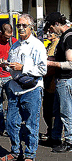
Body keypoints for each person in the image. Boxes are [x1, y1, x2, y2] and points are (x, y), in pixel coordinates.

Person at [0, 14, 47, 161]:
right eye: (18, 26)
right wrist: (6, 65)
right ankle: (15, 152)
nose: (20, 28)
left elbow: (43, 69)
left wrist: (23, 67)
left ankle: (30, 155)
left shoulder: (37, 45)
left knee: (31, 124)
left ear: (31, 28)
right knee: (11, 123)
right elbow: (13, 68)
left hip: (31, 90)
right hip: (15, 89)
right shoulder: (14, 45)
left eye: (23, 25)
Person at [43, 12, 72, 153]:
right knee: (58, 111)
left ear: (56, 24)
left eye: (50, 28)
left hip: (65, 80)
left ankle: (69, 141)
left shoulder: (68, 37)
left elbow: (70, 64)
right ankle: (55, 138)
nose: (50, 31)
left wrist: (50, 63)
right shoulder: (66, 37)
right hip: (61, 80)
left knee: (65, 112)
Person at [40, 30, 59, 141]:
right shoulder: (49, 45)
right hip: (47, 83)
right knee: (47, 110)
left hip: (52, 83)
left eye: (50, 33)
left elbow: (53, 65)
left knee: (51, 110)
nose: (48, 35)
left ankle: (53, 134)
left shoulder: (57, 45)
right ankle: (50, 131)